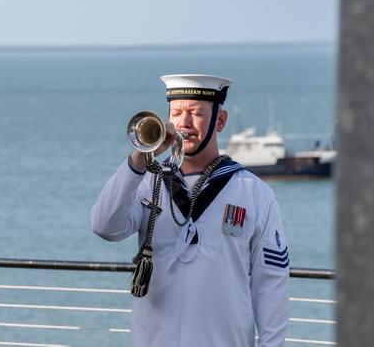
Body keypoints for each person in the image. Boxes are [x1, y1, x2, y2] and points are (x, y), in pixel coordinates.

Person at [91, 74, 289, 347]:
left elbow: (271, 285)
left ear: (220, 121)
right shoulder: (148, 182)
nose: (184, 123)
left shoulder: (255, 193)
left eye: (196, 113)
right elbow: (104, 226)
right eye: (176, 113)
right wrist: (139, 157)